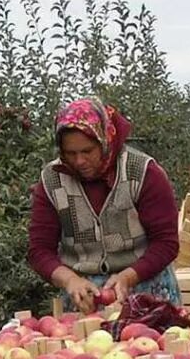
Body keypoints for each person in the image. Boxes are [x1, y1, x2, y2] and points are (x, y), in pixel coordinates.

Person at [27, 97, 180, 313]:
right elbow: (39, 250)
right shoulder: (52, 181)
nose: (79, 161)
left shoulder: (143, 173)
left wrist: (128, 276)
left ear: (105, 140)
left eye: (87, 151)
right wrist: (69, 280)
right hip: (85, 299)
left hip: (147, 292)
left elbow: (166, 242)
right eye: (70, 153)